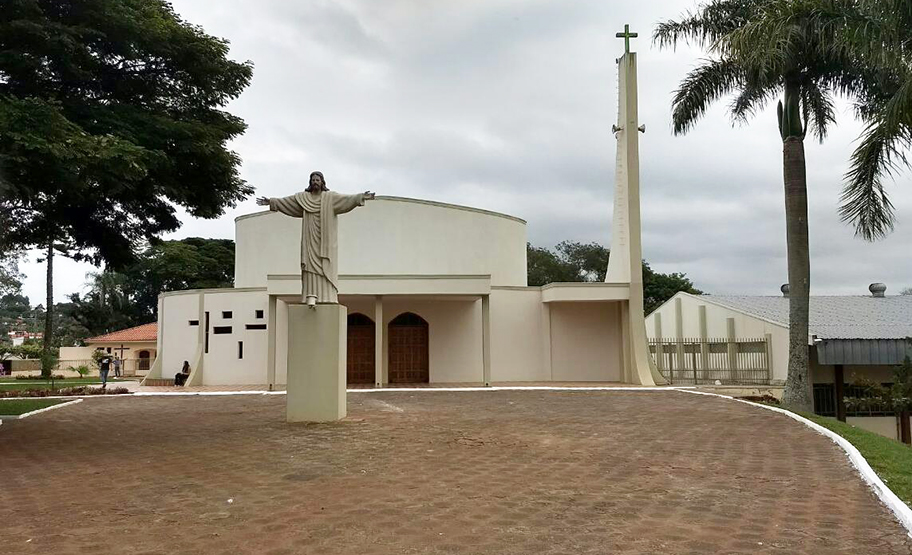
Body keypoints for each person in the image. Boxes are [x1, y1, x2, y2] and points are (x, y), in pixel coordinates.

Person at [256, 172, 375, 307]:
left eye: (318, 179)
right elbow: (287, 202)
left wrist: (359, 197)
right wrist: (272, 202)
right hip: (309, 239)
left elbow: (346, 199)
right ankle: (310, 296)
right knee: (309, 267)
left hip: (325, 241)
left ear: (322, 182)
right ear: (310, 182)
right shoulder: (303, 199)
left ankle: (327, 295)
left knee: (325, 264)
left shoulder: (330, 198)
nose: (315, 182)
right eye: (313, 180)